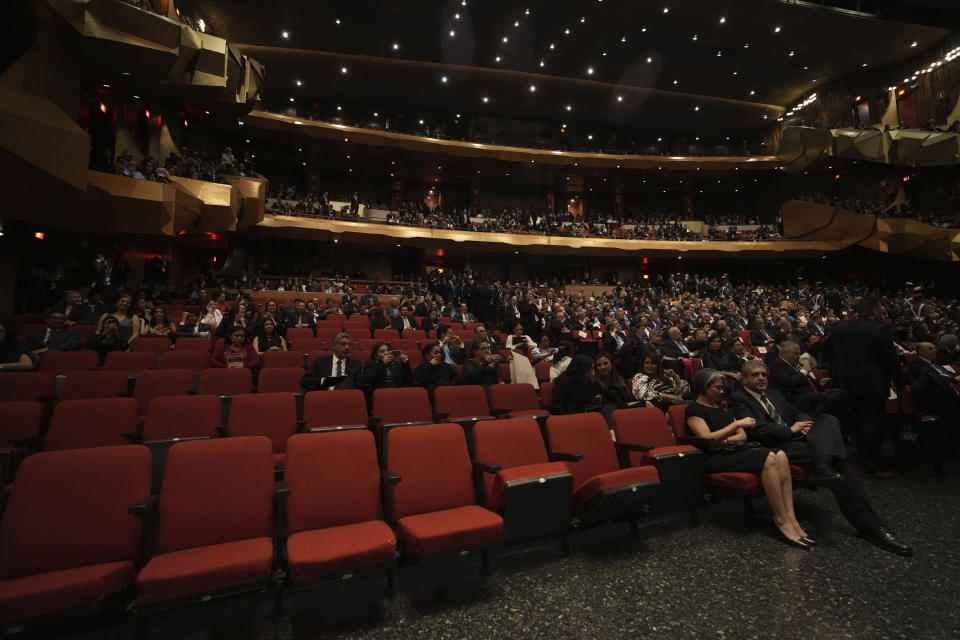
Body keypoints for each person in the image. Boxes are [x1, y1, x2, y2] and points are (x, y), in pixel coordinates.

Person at [728, 360, 913, 556]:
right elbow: (755, 429)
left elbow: (795, 412)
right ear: (745, 379)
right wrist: (789, 430)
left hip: (801, 440)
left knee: (828, 419)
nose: (761, 378)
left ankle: (825, 467)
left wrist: (804, 422)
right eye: (755, 375)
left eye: (764, 374)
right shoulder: (738, 399)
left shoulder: (775, 394)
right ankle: (873, 527)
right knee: (839, 461)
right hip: (775, 447)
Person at [685, 368, 811, 549]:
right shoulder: (694, 410)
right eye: (717, 388)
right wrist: (735, 425)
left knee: (781, 455)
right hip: (715, 458)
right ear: (704, 387)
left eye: (722, 388)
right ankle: (781, 519)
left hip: (733, 450)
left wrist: (726, 437)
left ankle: (790, 517)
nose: (722, 392)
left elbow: (742, 436)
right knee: (769, 455)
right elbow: (708, 440)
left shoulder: (724, 407)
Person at [825, 297, 903, 479]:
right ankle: (869, 465)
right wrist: (899, 381)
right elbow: (890, 360)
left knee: (856, 420)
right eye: (880, 308)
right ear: (875, 310)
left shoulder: (839, 328)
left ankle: (860, 458)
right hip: (872, 383)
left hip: (846, 383)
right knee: (872, 423)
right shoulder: (879, 329)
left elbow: (828, 353)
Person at [770, 340, 849, 418]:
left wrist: (819, 382)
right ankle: (813, 422)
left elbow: (807, 380)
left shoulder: (795, 364)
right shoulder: (778, 364)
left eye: (799, 353)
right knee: (831, 399)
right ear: (785, 353)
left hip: (809, 394)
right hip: (797, 397)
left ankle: (841, 425)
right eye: (796, 353)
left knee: (842, 394)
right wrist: (803, 371)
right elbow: (788, 382)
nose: (798, 356)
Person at [594, 351, 643, 420]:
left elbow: (627, 398)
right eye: (599, 365)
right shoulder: (596, 384)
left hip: (627, 409)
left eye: (605, 363)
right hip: (612, 413)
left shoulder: (620, 379)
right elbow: (606, 405)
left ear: (612, 364)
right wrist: (627, 404)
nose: (602, 367)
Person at [505, 323, 539, 388]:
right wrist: (519, 345)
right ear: (514, 330)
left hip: (526, 356)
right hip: (515, 357)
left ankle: (531, 386)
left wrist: (528, 345)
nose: (519, 331)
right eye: (517, 330)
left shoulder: (526, 337)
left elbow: (534, 344)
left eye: (521, 329)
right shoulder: (510, 337)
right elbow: (508, 347)